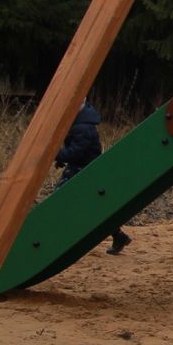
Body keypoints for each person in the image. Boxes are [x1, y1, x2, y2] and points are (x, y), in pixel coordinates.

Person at [55, 100, 131, 255]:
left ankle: (61, 237)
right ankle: (118, 236)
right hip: (86, 168)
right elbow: (76, 150)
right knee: (95, 208)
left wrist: (56, 154)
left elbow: (75, 152)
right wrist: (62, 158)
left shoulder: (82, 127)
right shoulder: (82, 122)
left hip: (83, 170)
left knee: (59, 197)